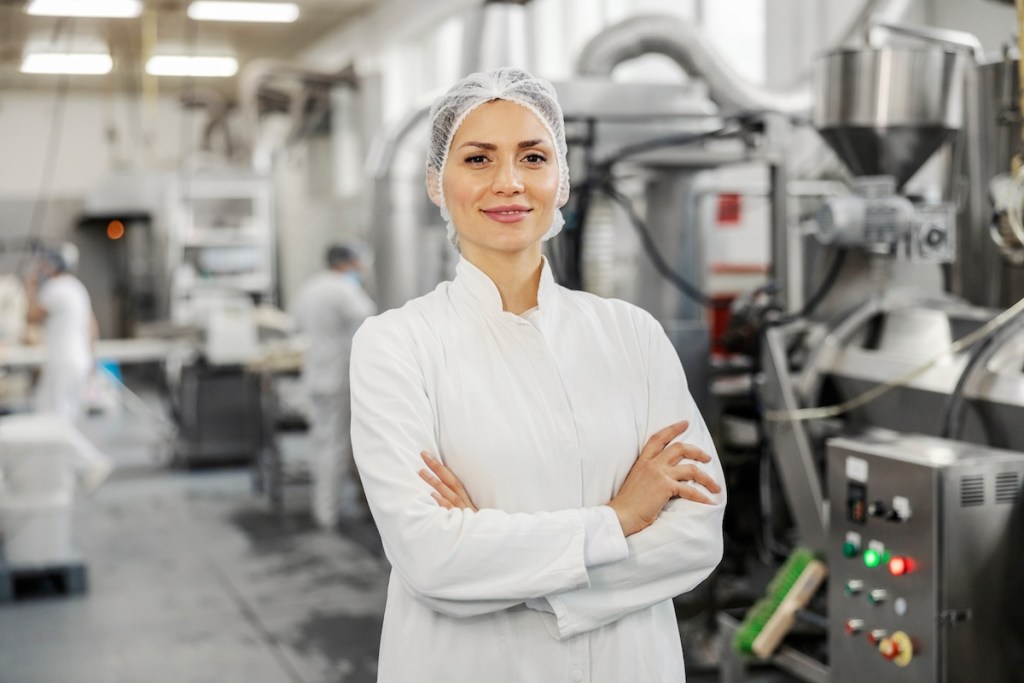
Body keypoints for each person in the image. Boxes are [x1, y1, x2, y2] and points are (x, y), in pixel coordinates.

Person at [349, 67, 726, 682]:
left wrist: (501, 567)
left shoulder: (631, 334)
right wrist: (621, 518)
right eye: (478, 158)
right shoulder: (397, 344)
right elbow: (430, 557)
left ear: (562, 178)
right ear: (436, 182)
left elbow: (696, 534)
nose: (509, 182)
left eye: (533, 157)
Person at [292, 243, 377, 529]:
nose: (359, 268)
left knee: (323, 441)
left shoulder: (310, 288)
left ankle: (327, 508)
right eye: (356, 262)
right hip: (337, 375)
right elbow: (372, 318)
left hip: (315, 373)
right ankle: (327, 514)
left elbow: (296, 324)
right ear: (344, 263)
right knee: (335, 445)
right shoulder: (343, 288)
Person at [24, 245, 113, 494]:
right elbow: (92, 326)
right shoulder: (77, 288)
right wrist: (92, 360)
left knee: (50, 420)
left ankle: (91, 461)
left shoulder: (55, 289)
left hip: (63, 363)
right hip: (79, 361)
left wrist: (30, 285)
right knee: (60, 418)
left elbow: (31, 316)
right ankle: (61, 473)